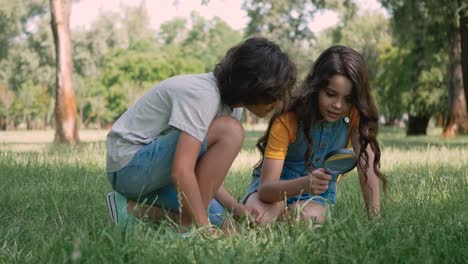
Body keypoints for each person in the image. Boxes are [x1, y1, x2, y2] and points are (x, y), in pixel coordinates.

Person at [105, 37, 297, 232]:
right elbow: (182, 171)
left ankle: (129, 209)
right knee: (231, 132)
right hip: (128, 167)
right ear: (253, 86)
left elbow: (206, 173)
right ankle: (190, 227)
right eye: (275, 95)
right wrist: (203, 227)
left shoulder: (232, 108)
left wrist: (236, 208)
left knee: (225, 224)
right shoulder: (203, 95)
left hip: (155, 173)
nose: (279, 104)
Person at [242, 45, 386, 224]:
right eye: (331, 94)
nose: (338, 105)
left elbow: (367, 165)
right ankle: (274, 211)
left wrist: (375, 218)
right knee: (259, 219)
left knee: (306, 218)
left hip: (316, 193)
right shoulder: (288, 119)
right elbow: (266, 189)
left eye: (348, 99)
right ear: (316, 87)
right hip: (275, 187)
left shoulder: (355, 114)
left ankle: (283, 214)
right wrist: (304, 184)